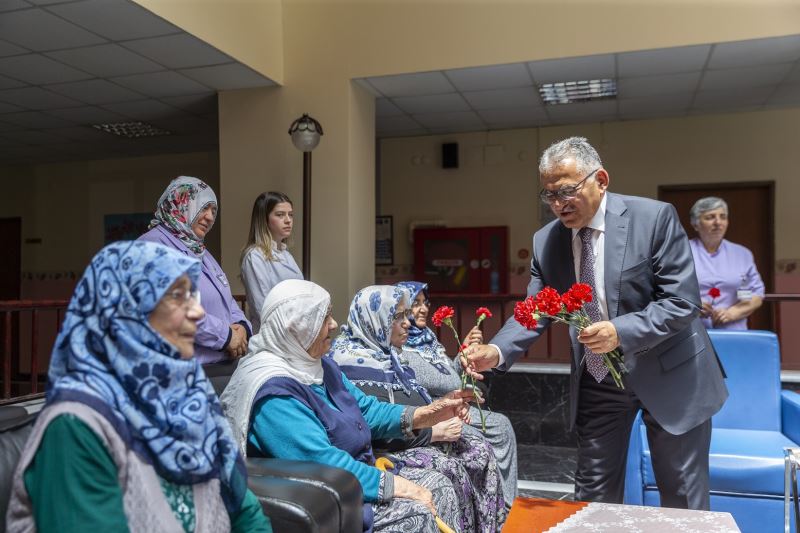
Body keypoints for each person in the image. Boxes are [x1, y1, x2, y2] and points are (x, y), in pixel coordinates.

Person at [464, 137, 728, 510]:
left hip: (671, 372)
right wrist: (496, 349)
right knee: (592, 493)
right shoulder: (546, 241)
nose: (559, 204)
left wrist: (620, 331)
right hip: (601, 378)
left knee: (681, 494)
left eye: (567, 191)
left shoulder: (653, 218)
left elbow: (682, 301)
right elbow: (536, 308)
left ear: (600, 180)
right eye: (550, 194)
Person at [6, 241, 270, 533]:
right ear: (126, 312)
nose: (197, 313)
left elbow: (245, 512)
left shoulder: (191, 394)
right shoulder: (75, 425)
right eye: (177, 297)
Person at [220, 279, 470, 533]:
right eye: (323, 318)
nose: (333, 324)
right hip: (327, 497)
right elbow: (323, 461)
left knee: (440, 485)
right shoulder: (273, 393)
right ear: (296, 327)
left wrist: (427, 414)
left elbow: (366, 410)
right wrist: (398, 486)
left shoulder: (320, 365)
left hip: (353, 475)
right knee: (419, 509)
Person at [331, 285, 507, 532]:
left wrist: (444, 407)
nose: (407, 323)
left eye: (406, 315)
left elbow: (417, 400)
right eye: (397, 317)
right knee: (451, 470)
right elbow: (371, 425)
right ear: (374, 321)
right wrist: (433, 431)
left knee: (479, 450)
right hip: (387, 452)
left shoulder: (391, 357)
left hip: (416, 436)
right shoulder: (351, 366)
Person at [396, 281, 518, 509]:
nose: (423, 309)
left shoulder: (427, 339)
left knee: (501, 425)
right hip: (435, 410)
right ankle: (487, 505)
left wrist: (463, 355)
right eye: (415, 303)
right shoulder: (399, 344)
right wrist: (458, 383)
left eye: (425, 303)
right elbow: (430, 383)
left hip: (455, 403)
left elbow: (449, 375)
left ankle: (507, 502)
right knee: (477, 440)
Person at [139, 176, 251, 364]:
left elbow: (226, 299)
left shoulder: (198, 250)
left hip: (219, 364)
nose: (210, 217)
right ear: (181, 203)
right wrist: (226, 336)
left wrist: (242, 328)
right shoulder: (151, 246)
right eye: (203, 207)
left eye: (213, 210)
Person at [688, 196, 765, 330]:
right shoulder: (682, 252)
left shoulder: (742, 254)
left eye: (723, 217)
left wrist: (733, 313)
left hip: (733, 331)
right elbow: (667, 290)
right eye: (710, 217)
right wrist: (689, 305)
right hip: (692, 330)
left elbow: (756, 294)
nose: (718, 222)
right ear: (695, 224)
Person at [240, 191, 303, 333]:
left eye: (290, 214)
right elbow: (263, 308)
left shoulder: (286, 254)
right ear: (264, 219)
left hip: (295, 332)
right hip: (272, 335)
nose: (288, 220)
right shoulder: (254, 256)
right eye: (280, 215)